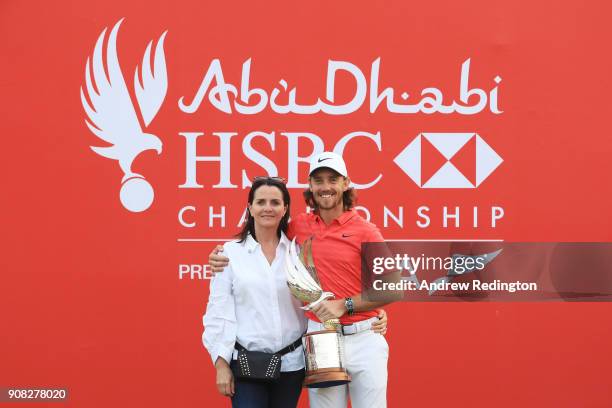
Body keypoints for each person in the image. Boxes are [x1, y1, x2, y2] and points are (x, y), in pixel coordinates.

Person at [209, 152, 400, 408]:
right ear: (310, 186)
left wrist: (348, 305)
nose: (325, 187)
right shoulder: (297, 228)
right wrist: (218, 256)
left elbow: (392, 286)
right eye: (318, 180)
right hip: (320, 338)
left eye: (333, 179)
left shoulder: (366, 230)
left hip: (364, 338)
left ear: (346, 183)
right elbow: (261, 238)